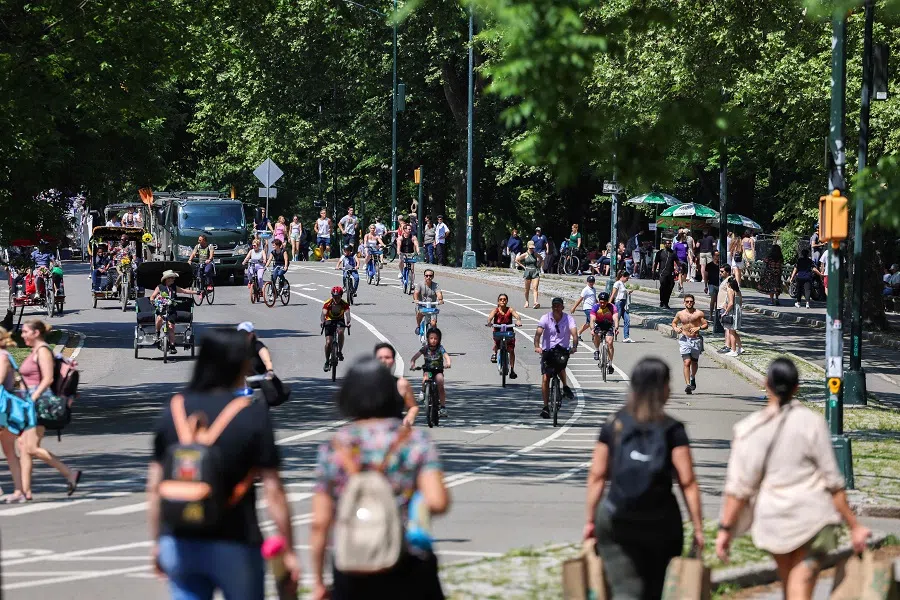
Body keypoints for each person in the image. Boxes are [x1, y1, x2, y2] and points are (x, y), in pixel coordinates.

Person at [149, 328, 299, 599]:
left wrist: (158, 540)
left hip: (180, 539)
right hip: (235, 538)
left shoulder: (174, 409)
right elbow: (274, 490)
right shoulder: (251, 414)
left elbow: (155, 485)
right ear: (239, 365)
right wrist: (288, 550)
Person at [716, 358, 871, 600]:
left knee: (790, 580)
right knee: (800, 583)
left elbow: (738, 488)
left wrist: (726, 529)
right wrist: (855, 526)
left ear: (766, 384)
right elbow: (833, 482)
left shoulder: (748, 430)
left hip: (773, 521)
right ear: (797, 387)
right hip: (813, 520)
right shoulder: (812, 423)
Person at [310, 359, 449, 600]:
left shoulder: (335, 448)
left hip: (353, 562)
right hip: (407, 559)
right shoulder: (414, 441)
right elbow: (438, 501)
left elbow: (320, 522)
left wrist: (319, 582)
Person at [584, 358, 704, 600]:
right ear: (663, 389)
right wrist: (698, 527)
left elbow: (597, 475)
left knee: (625, 589)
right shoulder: (672, 429)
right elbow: (687, 482)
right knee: (655, 589)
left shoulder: (614, 424)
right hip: (662, 523)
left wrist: (590, 522)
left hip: (617, 518)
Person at [16, 320, 82, 500]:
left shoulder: (44, 351)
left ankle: (69, 473)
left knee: (31, 447)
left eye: (25, 332)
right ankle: (26, 491)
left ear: (36, 333)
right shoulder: (35, 351)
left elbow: (48, 379)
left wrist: (32, 399)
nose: (22, 335)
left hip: (38, 404)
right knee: (24, 447)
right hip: (30, 402)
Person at [534, 298, 577, 418]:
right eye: (554, 306)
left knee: (561, 365)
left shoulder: (569, 319)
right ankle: (545, 407)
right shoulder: (545, 318)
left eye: (558, 306)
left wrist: (574, 346)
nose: (556, 308)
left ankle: (565, 386)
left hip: (562, 350)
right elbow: (538, 333)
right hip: (548, 350)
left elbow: (574, 334)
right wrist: (537, 346)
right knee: (545, 378)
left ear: (562, 307)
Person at [0, 327, 25, 503]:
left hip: (3, 409)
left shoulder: (2, 357)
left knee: (9, 452)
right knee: (10, 452)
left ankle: (19, 490)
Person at [150, 270, 199, 353]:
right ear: (167, 279)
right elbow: (153, 295)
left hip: (171, 310)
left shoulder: (174, 287)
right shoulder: (160, 287)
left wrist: (196, 292)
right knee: (159, 319)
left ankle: (172, 346)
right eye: (172, 278)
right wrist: (152, 300)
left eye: (173, 278)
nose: (173, 279)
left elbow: (184, 291)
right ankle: (157, 332)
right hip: (162, 308)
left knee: (171, 327)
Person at [374, 343, 419, 427]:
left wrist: (409, 417)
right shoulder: (365, 383)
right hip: (370, 434)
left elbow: (413, 407)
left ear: (393, 361)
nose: (383, 361)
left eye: (387, 357)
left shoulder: (402, 384)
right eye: (380, 358)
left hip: (395, 432)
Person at [410, 328, 451, 418]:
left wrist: (448, 363)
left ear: (439, 339)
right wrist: (413, 364)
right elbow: (414, 357)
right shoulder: (425, 348)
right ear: (428, 338)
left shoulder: (440, 348)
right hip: (428, 370)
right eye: (431, 338)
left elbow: (446, 356)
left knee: (440, 381)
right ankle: (423, 391)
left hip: (438, 370)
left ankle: (443, 407)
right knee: (426, 377)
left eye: (436, 338)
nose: (433, 340)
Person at [672, 294, 708, 395]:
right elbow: (674, 323)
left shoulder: (699, 313)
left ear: (694, 302)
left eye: (691, 301)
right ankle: (688, 385)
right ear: (684, 303)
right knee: (687, 362)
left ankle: (692, 377)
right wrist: (676, 328)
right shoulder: (680, 314)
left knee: (694, 362)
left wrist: (699, 328)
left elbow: (705, 325)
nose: (689, 303)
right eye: (687, 301)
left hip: (696, 340)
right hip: (684, 339)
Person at [486, 293, 523, 379]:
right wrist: (489, 322)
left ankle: (512, 370)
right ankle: (494, 353)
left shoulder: (510, 310)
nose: (503, 301)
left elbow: (517, 316)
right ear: (498, 301)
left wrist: (518, 321)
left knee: (511, 350)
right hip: (498, 331)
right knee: (497, 342)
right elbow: (489, 318)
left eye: (504, 299)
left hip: (508, 332)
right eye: (501, 299)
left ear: (507, 301)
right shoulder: (495, 310)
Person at [321, 286, 351, 372]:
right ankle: (327, 361)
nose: (336, 299)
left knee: (341, 332)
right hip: (329, 320)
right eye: (334, 297)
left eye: (338, 297)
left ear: (341, 296)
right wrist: (322, 321)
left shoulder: (344, 303)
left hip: (339, 320)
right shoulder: (328, 303)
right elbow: (323, 314)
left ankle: (339, 351)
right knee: (328, 342)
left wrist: (348, 322)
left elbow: (347, 314)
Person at [589, 292, 618, 375]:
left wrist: (616, 328)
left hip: (608, 325)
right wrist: (592, 329)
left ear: (607, 301)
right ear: (598, 301)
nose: (602, 304)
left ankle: (610, 364)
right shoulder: (595, 307)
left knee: (610, 343)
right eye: (601, 302)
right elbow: (592, 320)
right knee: (596, 334)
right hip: (598, 324)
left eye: (604, 302)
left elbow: (615, 318)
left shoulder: (612, 307)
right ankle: (597, 350)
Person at [719, 265, 743, 356]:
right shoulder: (738, 291)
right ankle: (740, 347)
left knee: (731, 331)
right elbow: (740, 302)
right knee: (734, 330)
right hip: (738, 311)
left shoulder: (730, 290)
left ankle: (733, 350)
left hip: (732, 311)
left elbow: (731, 303)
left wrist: (726, 312)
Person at [413, 269, 443, 333]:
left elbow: (439, 293)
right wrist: (416, 300)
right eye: (426, 276)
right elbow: (416, 293)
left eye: (430, 275)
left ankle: (433, 336)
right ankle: (418, 326)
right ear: (424, 276)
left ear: (433, 276)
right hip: (422, 305)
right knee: (419, 314)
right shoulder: (420, 284)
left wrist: (440, 300)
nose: (428, 277)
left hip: (432, 307)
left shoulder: (436, 285)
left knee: (433, 324)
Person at [570, 275, 599, 340]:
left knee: (588, 323)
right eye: (590, 282)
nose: (591, 283)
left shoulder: (593, 289)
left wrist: (598, 304)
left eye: (592, 282)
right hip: (587, 308)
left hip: (593, 308)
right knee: (593, 321)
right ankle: (594, 335)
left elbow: (594, 298)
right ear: (587, 282)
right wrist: (574, 307)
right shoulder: (585, 289)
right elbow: (580, 299)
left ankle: (578, 333)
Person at [516, 240, 543, 309]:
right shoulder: (525, 254)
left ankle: (535, 302)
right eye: (530, 248)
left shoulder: (535, 254)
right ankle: (527, 301)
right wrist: (523, 267)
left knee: (535, 287)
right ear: (528, 247)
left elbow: (541, 258)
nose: (532, 249)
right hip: (527, 271)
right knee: (527, 289)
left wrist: (538, 266)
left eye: (532, 248)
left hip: (535, 271)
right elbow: (517, 260)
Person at [610, 270, 633, 343]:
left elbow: (623, 292)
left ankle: (626, 337)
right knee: (616, 320)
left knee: (627, 319)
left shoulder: (623, 284)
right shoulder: (617, 283)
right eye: (627, 278)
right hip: (618, 303)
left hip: (624, 304)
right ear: (622, 277)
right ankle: (610, 335)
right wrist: (609, 303)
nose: (627, 280)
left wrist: (628, 292)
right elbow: (613, 294)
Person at [653, 239, 677, 309]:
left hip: (670, 273)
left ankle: (666, 302)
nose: (669, 245)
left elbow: (677, 261)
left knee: (670, 287)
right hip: (662, 273)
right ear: (664, 244)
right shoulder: (660, 253)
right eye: (667, 243)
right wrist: (654, 272)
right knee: (663, 287)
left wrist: (680, 268)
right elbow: (655, 263)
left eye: (670, 243)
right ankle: (662, 301)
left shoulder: (673, 253)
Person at [706, 251, 721, 317]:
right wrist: (705, 286)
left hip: (719, 284)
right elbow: (706, 275)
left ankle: (717, 314)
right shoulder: (709, 265)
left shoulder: (721, 265)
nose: (717, 257)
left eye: (718, 255)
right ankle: (711, 314)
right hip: (711, 283)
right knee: (713, 299)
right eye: (716, 255)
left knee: (718, 300)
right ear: (713, 256)